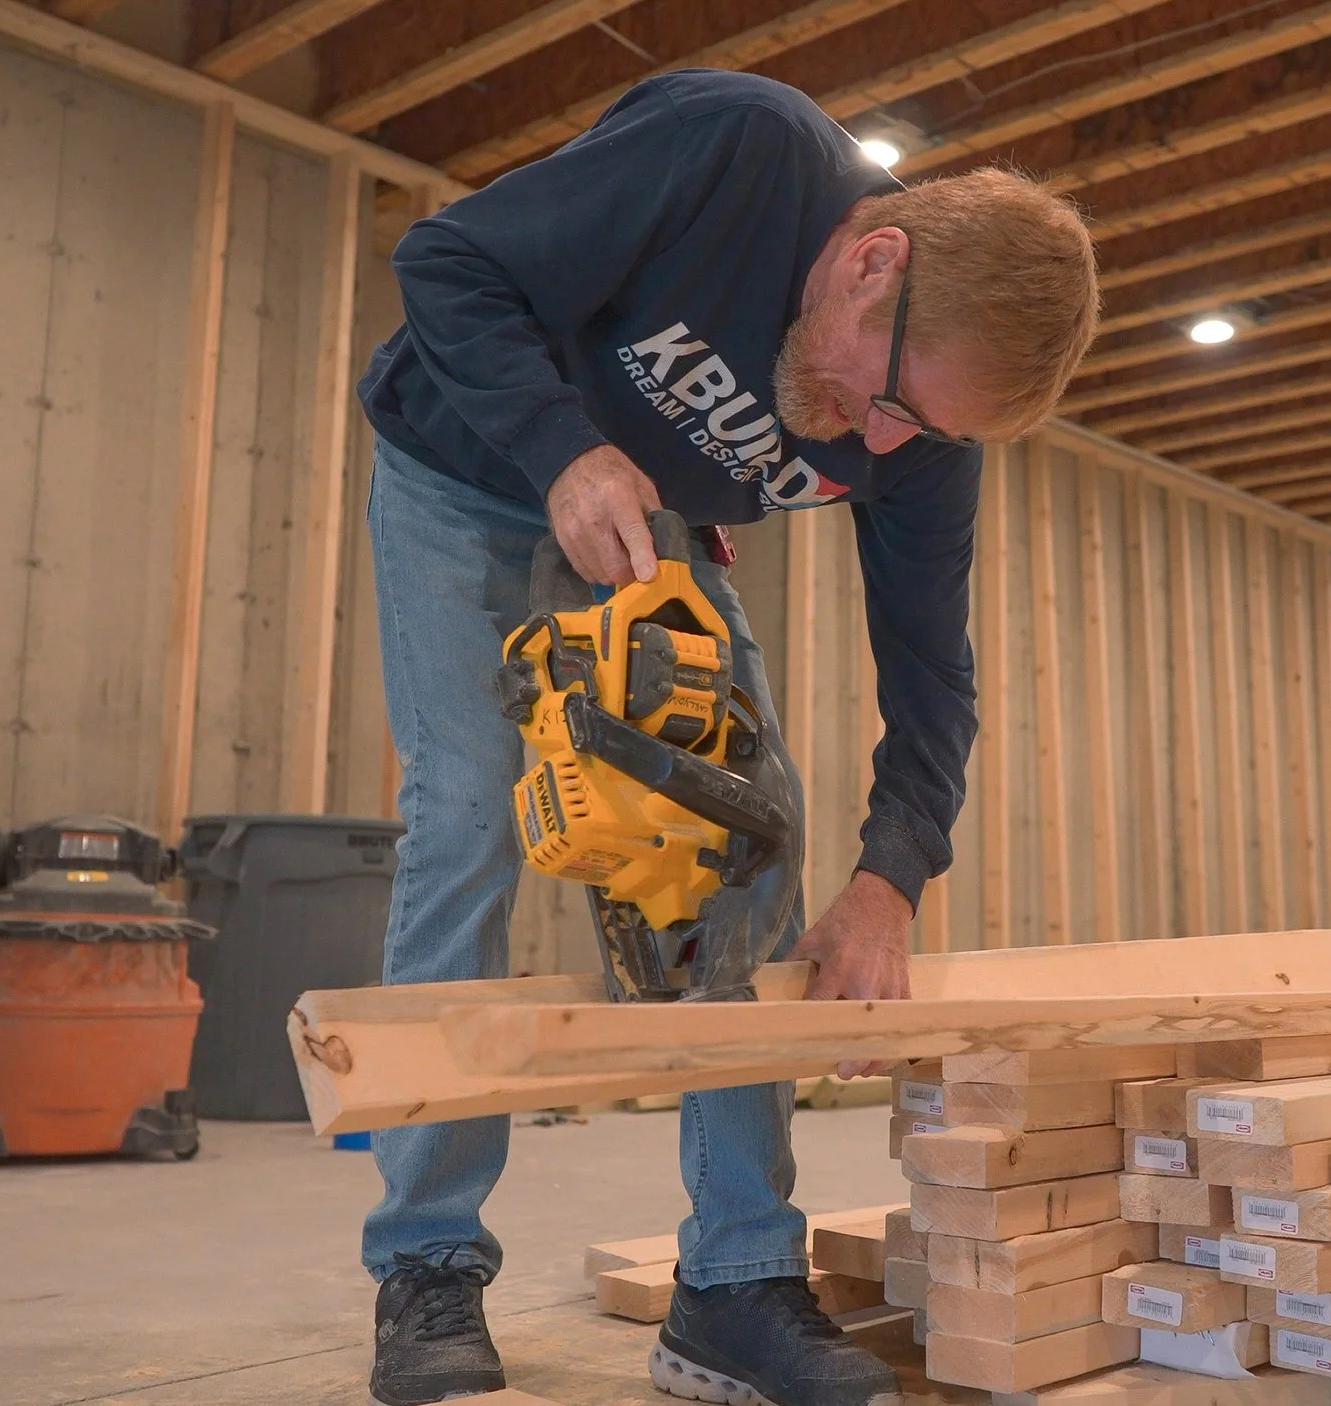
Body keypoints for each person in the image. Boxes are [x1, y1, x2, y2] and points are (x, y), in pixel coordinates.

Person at [353, 68, 1100, 1406]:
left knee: (757, 843)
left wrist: (892, 881)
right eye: (889, 403)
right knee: (467, 813)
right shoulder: (734, 151)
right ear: (874, 263)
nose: (883, 443)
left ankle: (736, 1284)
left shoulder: (925, 438)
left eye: (917, 430)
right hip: (463, 468)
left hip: (652, 539)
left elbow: (932, 672)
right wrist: (563, 450)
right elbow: (445, 261)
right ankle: (428, 1265)